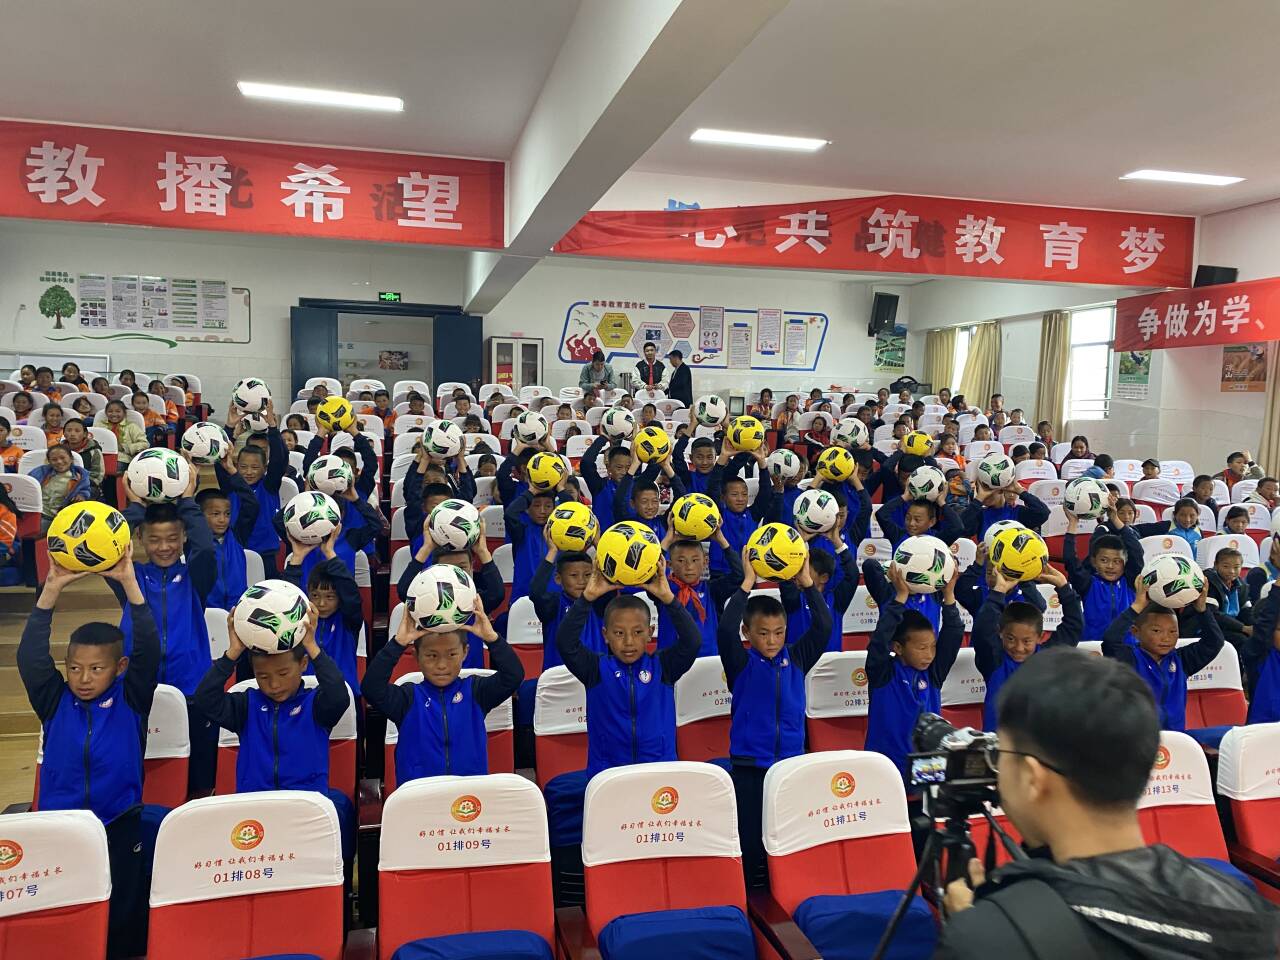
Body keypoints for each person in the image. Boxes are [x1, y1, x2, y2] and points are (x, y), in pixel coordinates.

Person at [935, 649, 1279, 960]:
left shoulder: (990, 938)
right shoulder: (1239, 905)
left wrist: (975, 930)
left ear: (1032, 777)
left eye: (1001, 755)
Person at [18, 551, 154, 958]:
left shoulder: (132, 699)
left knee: (122, 917)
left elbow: (149, 648)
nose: (83, 678)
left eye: (97, 669)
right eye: (75, 668)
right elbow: (30, 657)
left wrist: (129, 584)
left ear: (120, 667)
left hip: (120, 824)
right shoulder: (54, 700)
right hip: (62, 827)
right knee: (67, 913)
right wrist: (51, 589)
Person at [193, 603, 356, 862]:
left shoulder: (316, 705)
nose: (274, 684)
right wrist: (233, 652)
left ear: (303, 664)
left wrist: (312, 646)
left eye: (283, 673)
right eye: (263, 676)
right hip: (255, 816)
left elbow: (339, 694)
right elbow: (205, 700)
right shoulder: (245, 705)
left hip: (305, 813)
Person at [718, 552, 832, 887]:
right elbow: (724, 631)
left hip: (790, 765)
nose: (771, 641)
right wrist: (747, 585)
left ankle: (787, 887)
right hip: (750, 766)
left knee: (789, 833)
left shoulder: (796, 657)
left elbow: (824, 626)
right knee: (752, 838)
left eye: (779, 632)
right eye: (763, 633)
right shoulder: (740, 662)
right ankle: (750, 893)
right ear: (747, 632)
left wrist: (807, 584)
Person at [112, 474, 218, 795]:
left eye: (172, 538)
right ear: (140, 538)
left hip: (192, 687)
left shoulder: (195, 576)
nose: (164, 547)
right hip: (137, 688)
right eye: (154, 539)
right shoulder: (130, 576)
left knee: (199, 772)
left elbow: (205, 548)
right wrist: (134, 507)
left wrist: (187, 501)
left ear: (184, 536)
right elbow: (110, 546)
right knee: (137, 765)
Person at [555, 561, 700, 777]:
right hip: (608, 772)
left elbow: (692, 642)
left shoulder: (663, 666)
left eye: (638, 632)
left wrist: (669, 599)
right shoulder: (595, 669)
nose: (629, 642)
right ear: (605, 635)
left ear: (650, 632)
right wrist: (587, 598)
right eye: (619, 633)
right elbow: (565, 643)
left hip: (660, 769)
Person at [362, 597, 520, 784]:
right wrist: (398, 643)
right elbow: (371, 688)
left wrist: (492, 638)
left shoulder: (476, 691)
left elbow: (514, 676)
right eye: (431, 656)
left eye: (452, 654)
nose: (442, 665)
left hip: (468, 795)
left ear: (465, 652)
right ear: (416, 656)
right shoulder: (407, 697)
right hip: (420, 795)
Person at [865, 563, 963, 779]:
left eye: (933, 647)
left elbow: (954, 633)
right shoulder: (882, 673)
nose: (929, 654)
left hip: (927, 766)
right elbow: (880, 640)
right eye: (921, 648)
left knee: (929, 802)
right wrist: (900, 597)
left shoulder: (933, 673)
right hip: (885, 766)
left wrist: (949, 595)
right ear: (898, 648)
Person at [1102, 577, 1224, 732]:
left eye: (1173, 631)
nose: (1166, 638)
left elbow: (1214, 642)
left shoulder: (1182, 660)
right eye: (1156, 631)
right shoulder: (1129, 659)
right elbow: (1110, 641)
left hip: (1176, 738)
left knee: (1226, 734)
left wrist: (1202, 611)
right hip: (1139, 739)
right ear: (1135, 632)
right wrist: (1137, 606)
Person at [972, 565, 1082, 731]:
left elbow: (1073, 626)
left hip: (1038, 744)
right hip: (999, 744)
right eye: (1011, 639)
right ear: (1000, 633)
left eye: (1027, 641)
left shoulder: (1047, 658)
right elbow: (982, 630)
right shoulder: (994, 659)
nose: (1018, 648)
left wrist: (1063, 586)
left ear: (1039, 637)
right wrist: (999, 591)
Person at [281, 528, 364, 697]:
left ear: (340, 598)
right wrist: (297, 558)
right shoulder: (300, 619)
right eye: (315, 595)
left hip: (345, 695)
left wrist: (329, 553)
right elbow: (287, 597)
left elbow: (351, 593)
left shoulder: (348, 621)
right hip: (304, 695)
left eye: (330, 597)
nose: (321, 603)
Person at [1063, 510, 1144, 641]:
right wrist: (1073, 523)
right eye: (1104, 560)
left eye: (1117, 561)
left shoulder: (1131, 582)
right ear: (1094, 562)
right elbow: (1070, 560)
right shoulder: (1087, 583)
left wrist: (1115, 518)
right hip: (1091, 647)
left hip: (1127, 648)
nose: (1110, 566)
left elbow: (1136, 550)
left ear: (1125, 563)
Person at [227, 404, 286, 576]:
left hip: (266, 553)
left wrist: (273, 427)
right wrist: (230, 429)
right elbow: (221, 460)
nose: (248, 472)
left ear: (265, 468)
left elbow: (279, 460)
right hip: (236, 551)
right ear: (236, 466)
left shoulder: (269, 486)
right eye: (243, 467)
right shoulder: (231, 485)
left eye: (255, 467)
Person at [199, 451, 259, 612]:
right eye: (215, 514)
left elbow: (252, 505)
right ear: (199, 515)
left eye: (227, 514)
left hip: (238, 609)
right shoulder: (195, 542)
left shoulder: (237, 535)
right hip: (206, 611)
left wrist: (233, 471)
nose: (222, 520)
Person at [32, 444, 90, 533]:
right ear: (49, 462)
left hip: (62, 516)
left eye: (63, 458)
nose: (59, 462)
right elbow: (28, 484)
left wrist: (81, 495)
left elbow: (85, 490)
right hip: (39, 513)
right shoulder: (40, 472)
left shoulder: (80, 476)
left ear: (71, 459)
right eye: (54, 459)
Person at [61, 417, 104, 496]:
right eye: (69, 430)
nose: (72, 434)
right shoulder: (59, 450)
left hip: (88, 485)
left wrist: (79, 483)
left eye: (77, 431)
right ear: (64, 434)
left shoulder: (94, 451)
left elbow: (97, 475)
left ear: (85, 434)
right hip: (63, 484)